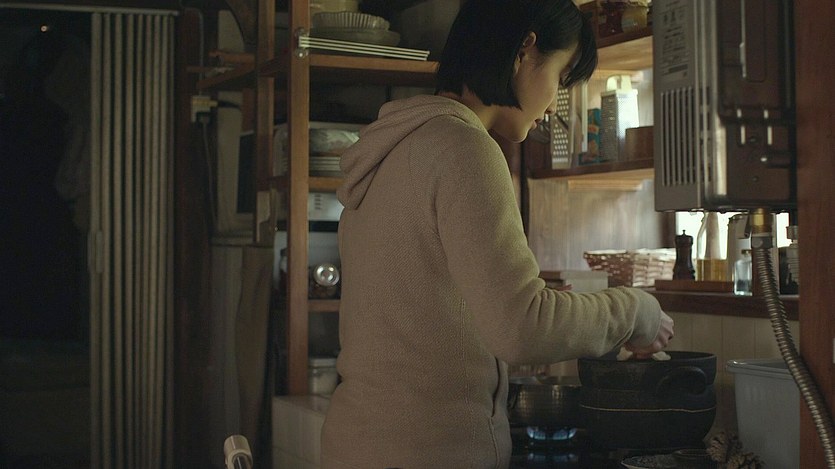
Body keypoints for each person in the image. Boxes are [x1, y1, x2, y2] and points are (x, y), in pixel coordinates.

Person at [321, 0, 674, 467]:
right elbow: (521, 329)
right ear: (525, 51)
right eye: (561, 77)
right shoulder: (466, 148)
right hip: (430, 453)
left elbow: (423, 313)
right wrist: (636, 311)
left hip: (357, 445)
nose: (553, 103)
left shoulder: (395, 148)